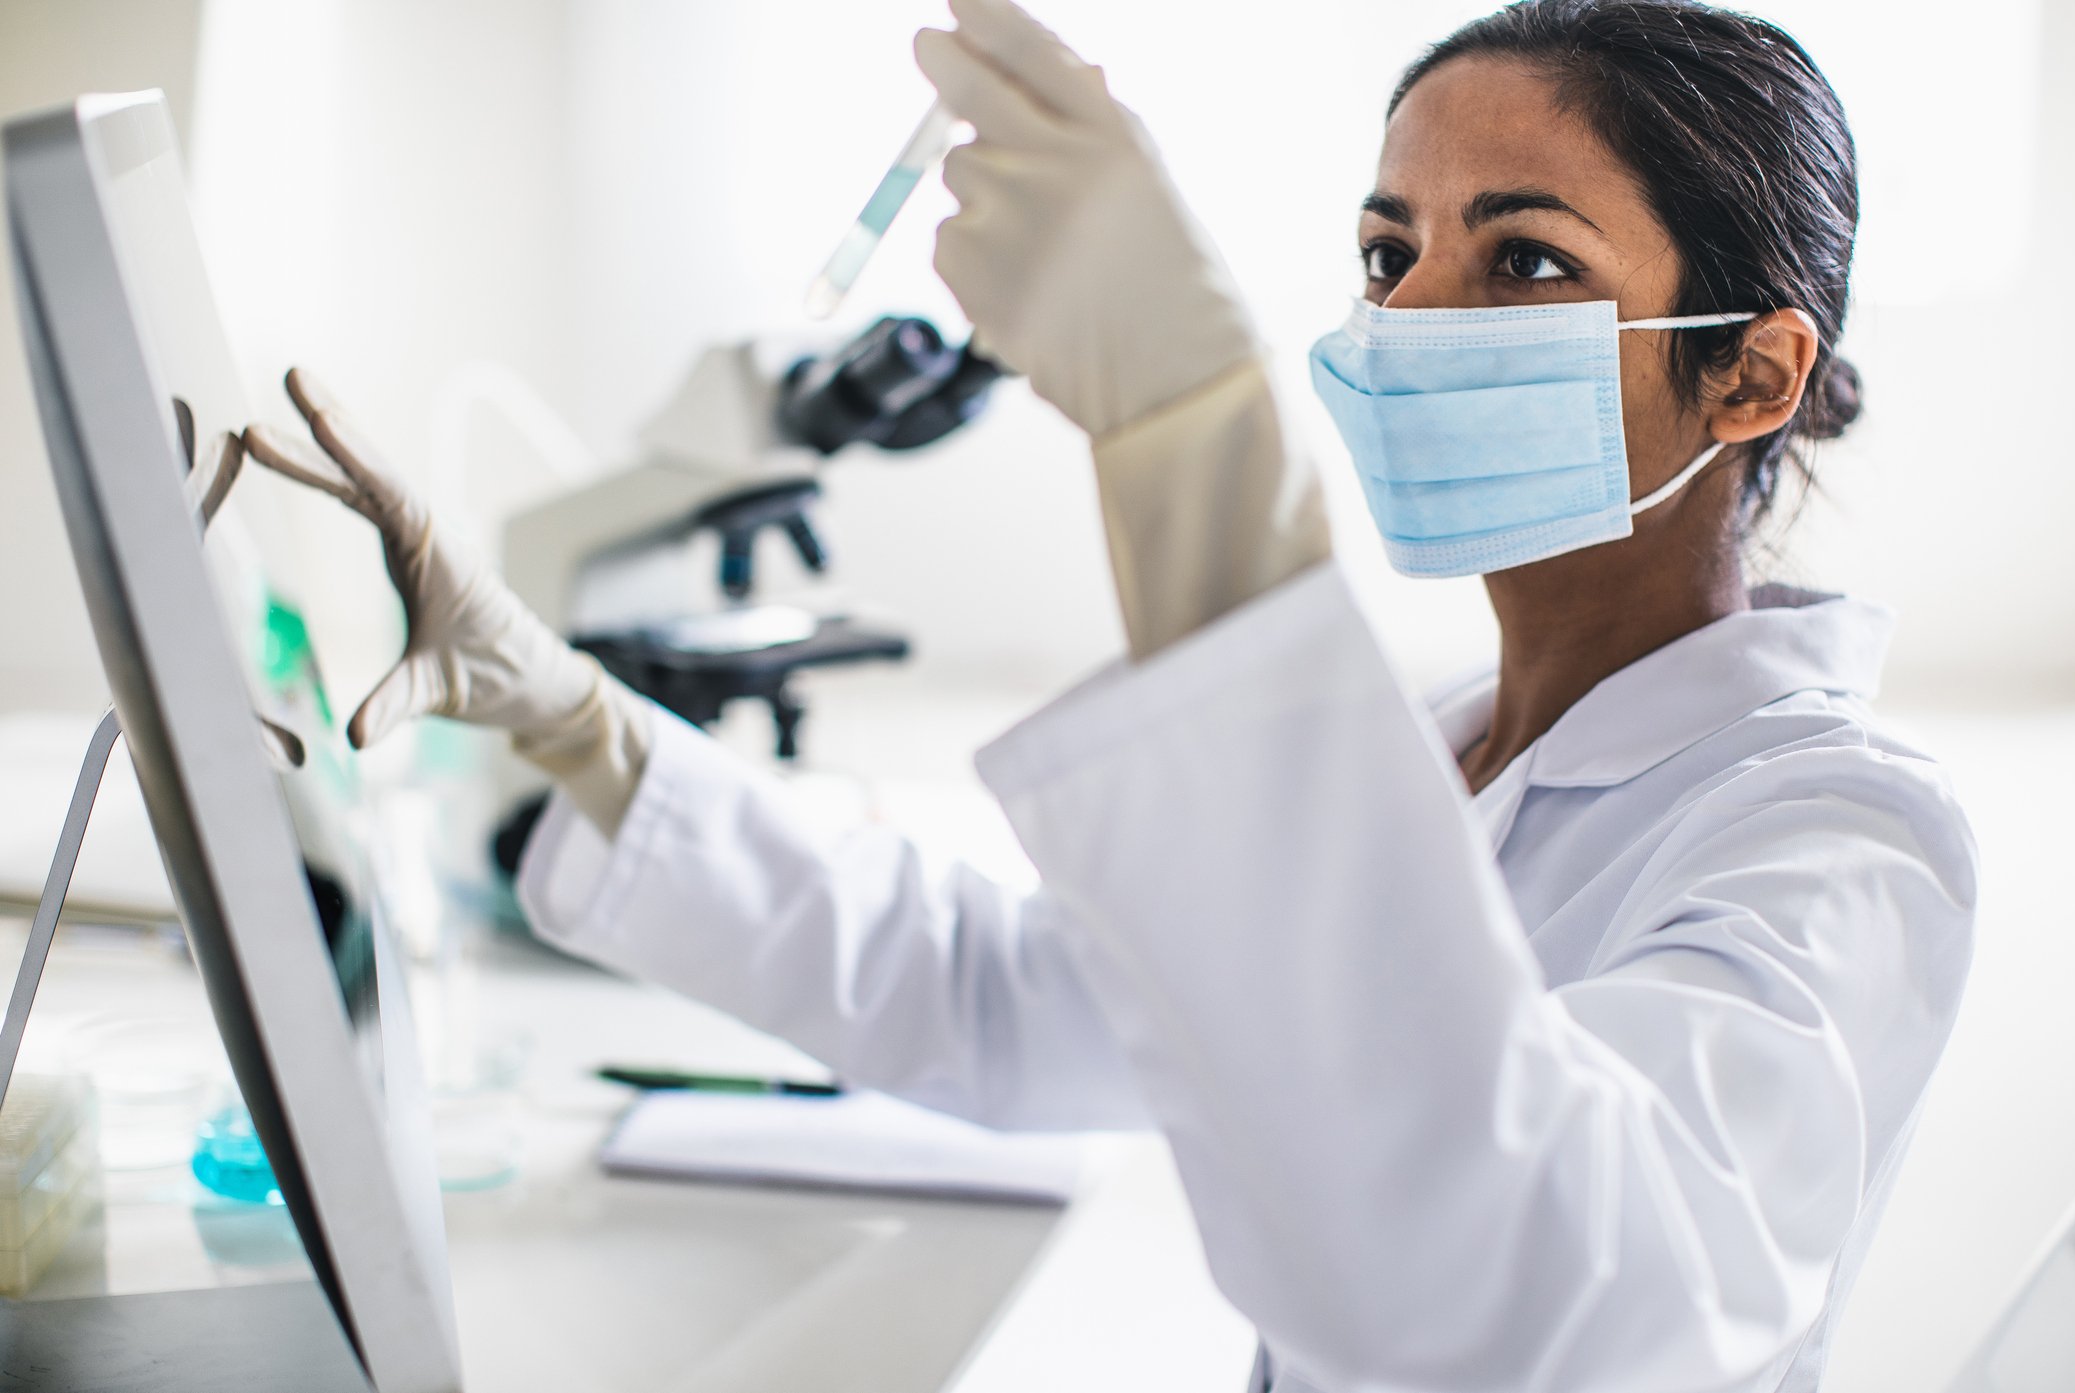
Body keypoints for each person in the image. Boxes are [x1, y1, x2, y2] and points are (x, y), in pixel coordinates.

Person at [243, 0, 1978, 1387]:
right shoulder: (1449, 738)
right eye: (1390, 256)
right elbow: (1001, 997)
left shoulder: (1835, 833)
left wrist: (1186, 437)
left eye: (1521, 259)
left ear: (1748, 373)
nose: (1413, 317)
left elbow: (1545, 1300)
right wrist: (576, 724)